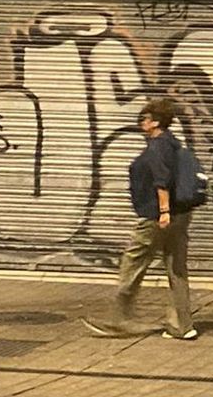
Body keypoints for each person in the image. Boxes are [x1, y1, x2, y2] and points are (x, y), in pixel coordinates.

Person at [85, 96, 199, 340]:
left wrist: (164, 211)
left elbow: (162, 180)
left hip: (156, 217)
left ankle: (118, 320)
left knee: (132, 264)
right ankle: (182, 326)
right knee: (176, 268)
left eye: (144, 119)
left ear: (155, 122)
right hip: (181, 216)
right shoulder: (173, 144)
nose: (141, 123)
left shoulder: (158, 146)